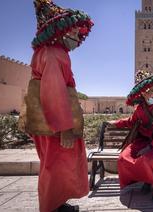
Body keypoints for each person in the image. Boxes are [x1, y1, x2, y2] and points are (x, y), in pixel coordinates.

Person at [18, 0, 93, 211]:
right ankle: (51, 207)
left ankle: (58, 203)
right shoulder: (53, 54)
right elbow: (54, 92)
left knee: (57, 165)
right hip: (54, 125)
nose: (78, 37)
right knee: (55, 165)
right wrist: (65, 129)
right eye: (75, 32)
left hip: (47, 122)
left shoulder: (49, 52)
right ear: (61, 31)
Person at [106, 70, 153, 203]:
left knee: (149, 159)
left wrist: (151, 146)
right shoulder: (139, 108)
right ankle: (147, 180)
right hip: (143, 142)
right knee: (123, 158)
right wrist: (116, 123)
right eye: (150, 91)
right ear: (143, 93)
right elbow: (131, 121)